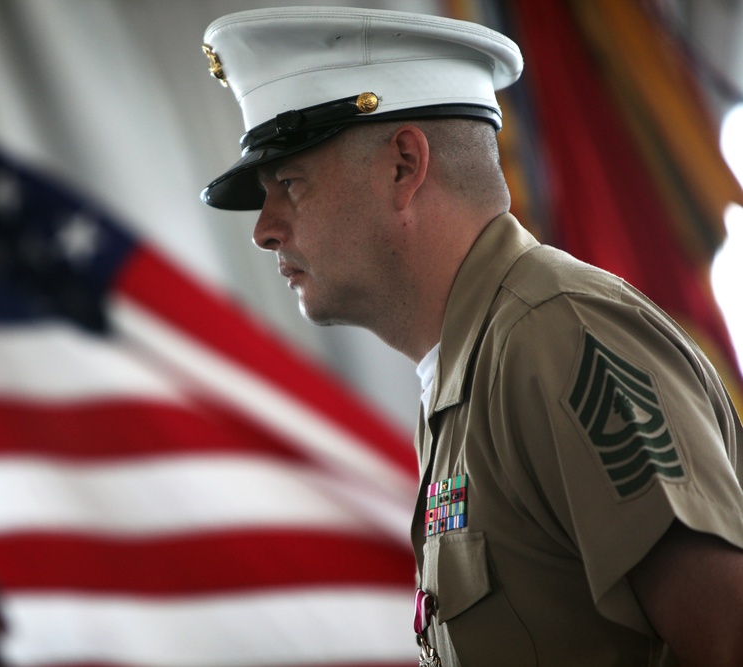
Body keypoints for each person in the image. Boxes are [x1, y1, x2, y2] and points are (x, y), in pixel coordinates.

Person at [198, 6, 743, 666]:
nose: (265, 229)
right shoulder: (469, 370)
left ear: (403, 165)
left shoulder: (557, 337)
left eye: (289, 183)